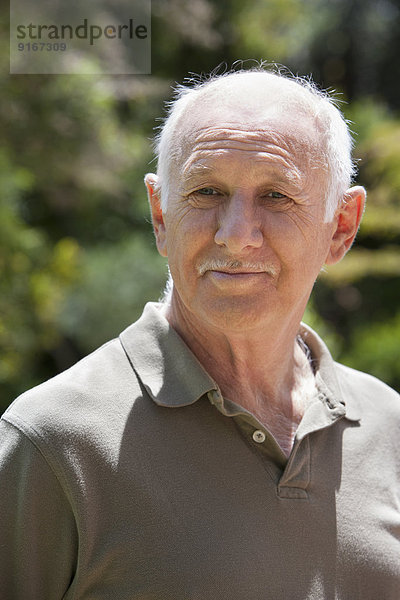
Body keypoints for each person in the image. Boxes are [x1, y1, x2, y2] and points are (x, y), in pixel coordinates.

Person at [1, 66, 399, 599]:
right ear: (161, 215)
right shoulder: (52, 441)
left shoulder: (390, 428)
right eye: (207, 191)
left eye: (277, 197)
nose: (236, 235)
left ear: (342, 226)